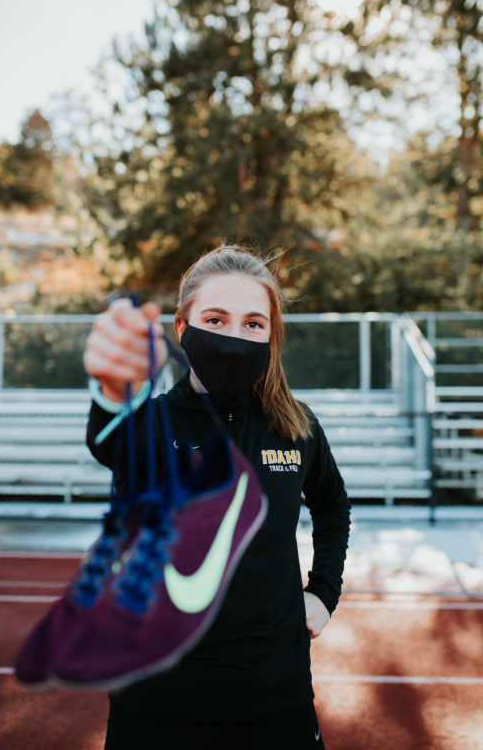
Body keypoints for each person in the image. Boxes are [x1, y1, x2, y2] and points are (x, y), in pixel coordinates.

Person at [83, 245, 351, 749]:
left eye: (253, 323)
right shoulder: (147, 426)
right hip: (158, 701)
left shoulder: (297, 428)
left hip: (277, 697)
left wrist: (324, 591)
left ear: (271, 337)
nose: (234, 336)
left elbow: (333, 505)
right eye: (215, 318)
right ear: (183, 330)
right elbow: (108, 440)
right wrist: (110, 391)